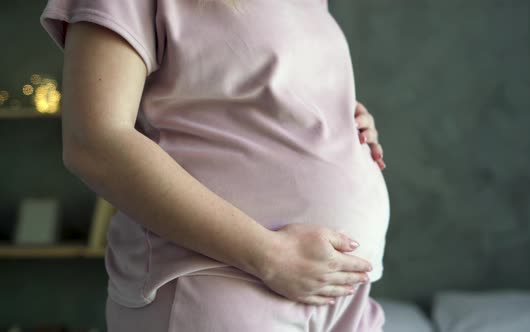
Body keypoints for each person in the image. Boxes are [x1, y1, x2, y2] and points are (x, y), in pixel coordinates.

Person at [40, 0, 390, 331]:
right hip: (221, 278)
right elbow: (94, 142)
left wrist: (343, 119)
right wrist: (270, 255)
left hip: (341, 291)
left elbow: (258, 90)